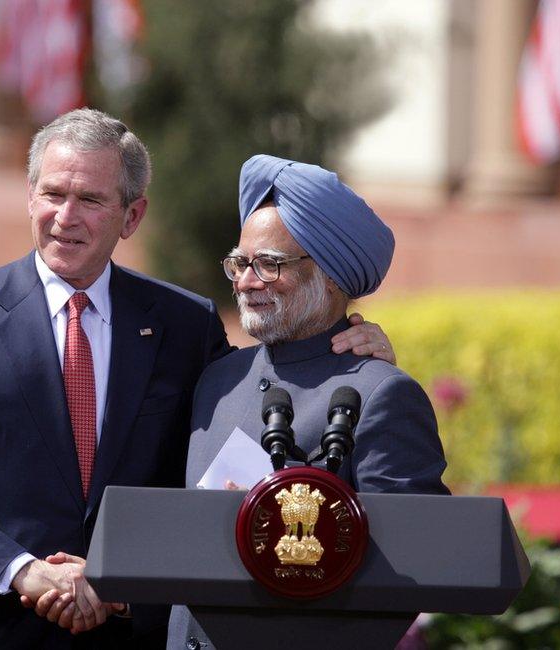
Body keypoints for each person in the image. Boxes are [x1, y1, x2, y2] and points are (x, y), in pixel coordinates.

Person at [0, 111, 393, 650]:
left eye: (91, 200)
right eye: (52, 194)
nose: (65, 217)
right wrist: (23, 570)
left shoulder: (185, 326)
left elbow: (254, 418)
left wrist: (356, 365)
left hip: (125, 632)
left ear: (131, 215)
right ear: (31, 196)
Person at [166, 154, 450, 650]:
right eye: (240, 262)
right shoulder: (217, 379)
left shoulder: (380, 393)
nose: (246, 282)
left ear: (332, 276)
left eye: (269, 265)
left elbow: (410, 566)